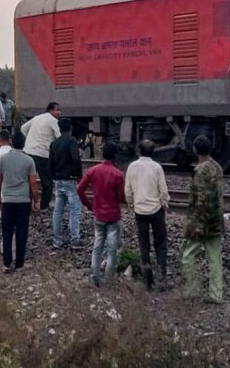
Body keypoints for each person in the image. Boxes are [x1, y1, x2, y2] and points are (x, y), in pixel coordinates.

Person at [182, 135, 225, 303]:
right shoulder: (218, 167)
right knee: (215, 259)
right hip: (216, 221)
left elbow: (201, 200)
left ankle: (192, 290)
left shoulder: (200, 171)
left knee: (188, 256)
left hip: (202, 222)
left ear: (195, 150)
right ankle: (216, 294)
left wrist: (198, 225)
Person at [77, 142, 125, 286]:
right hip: (113, 215)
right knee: (112, 249)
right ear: (115, 156)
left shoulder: (93, 170)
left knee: (97, 246)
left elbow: (80, 189)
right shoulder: (118, 174)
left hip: (98, 214)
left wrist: (89, 204)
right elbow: (121, 197)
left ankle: (95, 277)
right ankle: (108, 279)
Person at [125, 139, 170, 291]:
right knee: (161, 244)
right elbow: (163, 190)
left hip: (140, 211)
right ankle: (162, 277)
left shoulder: (132, 167)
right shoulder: (157, 167)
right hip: (156, 210)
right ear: (153, 152)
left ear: (139, 151)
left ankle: (147, 281)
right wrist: (165, 202)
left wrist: (132, 204)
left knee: (144, 245)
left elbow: (128, 191)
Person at [0, 131, 39, 273]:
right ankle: (19, 263)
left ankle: (6, 263)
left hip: (7, 200)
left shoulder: (3, 159)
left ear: (12, 142)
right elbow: (33, 183)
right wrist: (36, 201)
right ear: (24, 144)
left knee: (7, 232)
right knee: (21, 232)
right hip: (23, 201)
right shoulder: (29, 160)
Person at [49, 118, 85, 249]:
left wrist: (54, 176)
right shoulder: (72, 141)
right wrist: (79, 176)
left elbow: (50, 163)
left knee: (58, 211)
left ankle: (57, 240)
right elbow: (76, 159)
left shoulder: (54, 143)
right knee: (74, 210)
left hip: (58, 180)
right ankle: (75, 239)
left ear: (59, 128)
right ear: (70, 128)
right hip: (70, 180)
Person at [21, 102, 61, 211]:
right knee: (47, 181)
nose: (59, 112)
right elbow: (60, 137)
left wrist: (29, 139)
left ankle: (27, 205)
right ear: (51, 110)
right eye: (57, 110)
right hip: (42, 154)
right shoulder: (53, 121)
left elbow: (23, 128)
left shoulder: (37, 117)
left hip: (28, 152)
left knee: (28, 180)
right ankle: (44, 206)